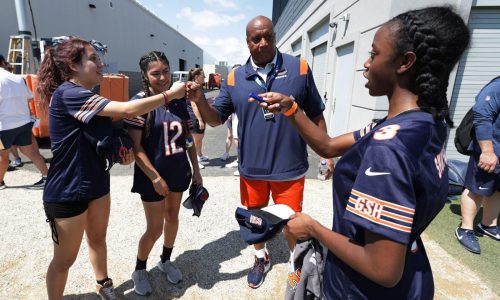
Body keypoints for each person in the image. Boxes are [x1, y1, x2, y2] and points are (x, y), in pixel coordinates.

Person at [251, 6, 470, 298]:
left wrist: (313, 228)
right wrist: (291, 108)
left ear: (405, 62)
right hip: (414, 275)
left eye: (375, 54)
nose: (365, 63)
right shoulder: (424, 123)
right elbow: (327, 146)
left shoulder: (389, 148)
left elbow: (382, 269)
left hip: (360, 290)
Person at [188, 16, 333, 289]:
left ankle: (296, 266)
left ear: (275, 36)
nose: (264, 42)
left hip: (289, 166)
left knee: (292, 224)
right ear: (248, 42)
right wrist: (199, 102)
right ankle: (260, 257)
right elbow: (217, 118)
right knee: (255, 220)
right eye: (257, 38)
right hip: (252, 168)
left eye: (269, 36)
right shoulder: (234, 77)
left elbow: (315, 112)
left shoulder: (299, 68)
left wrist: (326, 153)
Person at [37, 38, 187, 300]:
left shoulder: (89, 96)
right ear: (73, 65)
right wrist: (170, 94)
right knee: (64, 261)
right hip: (67, 189)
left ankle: (103, 282)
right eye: (93, 58)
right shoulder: (68, 94)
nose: (101, 63)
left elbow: (106, 135)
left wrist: (121, 150)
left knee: (98, 239)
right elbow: (128, 108)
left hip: (96, 182)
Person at [124, 51, 203, 296]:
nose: (162, 77)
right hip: (152, 176)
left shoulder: (179, 100)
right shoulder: (141, 101)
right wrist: (155, 177)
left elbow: (188, 139)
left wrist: (197, 172)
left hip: (179, 171)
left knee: (173, 218)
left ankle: (165, 260)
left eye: (166, 71)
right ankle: (139, 268)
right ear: (145, 76)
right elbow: (135, 147)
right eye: (155, 73)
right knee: (155, 228)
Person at [456, 77, 500, 254]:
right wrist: (487, 151)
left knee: (497, 190)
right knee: (476, 189)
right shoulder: (497, 86)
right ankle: (465, 228)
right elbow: (481, 115)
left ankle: (488, 225)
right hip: (490, 149)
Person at [0, 54, 49, 189]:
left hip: (3, 126)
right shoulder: (18, 78)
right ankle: (47, 177)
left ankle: (0, 182)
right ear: (3, 63)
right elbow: (29, 98)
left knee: (3, 155)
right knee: (30, 151)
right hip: (23, 122)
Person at [187, 68, 209, 167]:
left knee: (200, 139)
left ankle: (199, 155)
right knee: (196, 141)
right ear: (196, 77)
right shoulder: (192, 87)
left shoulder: (198, 86)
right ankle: (194, 161)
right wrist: (200, 120)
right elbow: (194, 105)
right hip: (194, 117)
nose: (205, 77)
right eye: (203, 75)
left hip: (200, 116)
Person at [220, 64, 242, 165]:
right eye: (232, 71)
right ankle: (226, 153)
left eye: (236, 71)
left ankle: (240, 160)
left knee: (237, 138)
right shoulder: (229, 85)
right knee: (229, 135)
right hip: (231, 116)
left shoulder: (243, 85)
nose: (234, 74)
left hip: (239, 116)